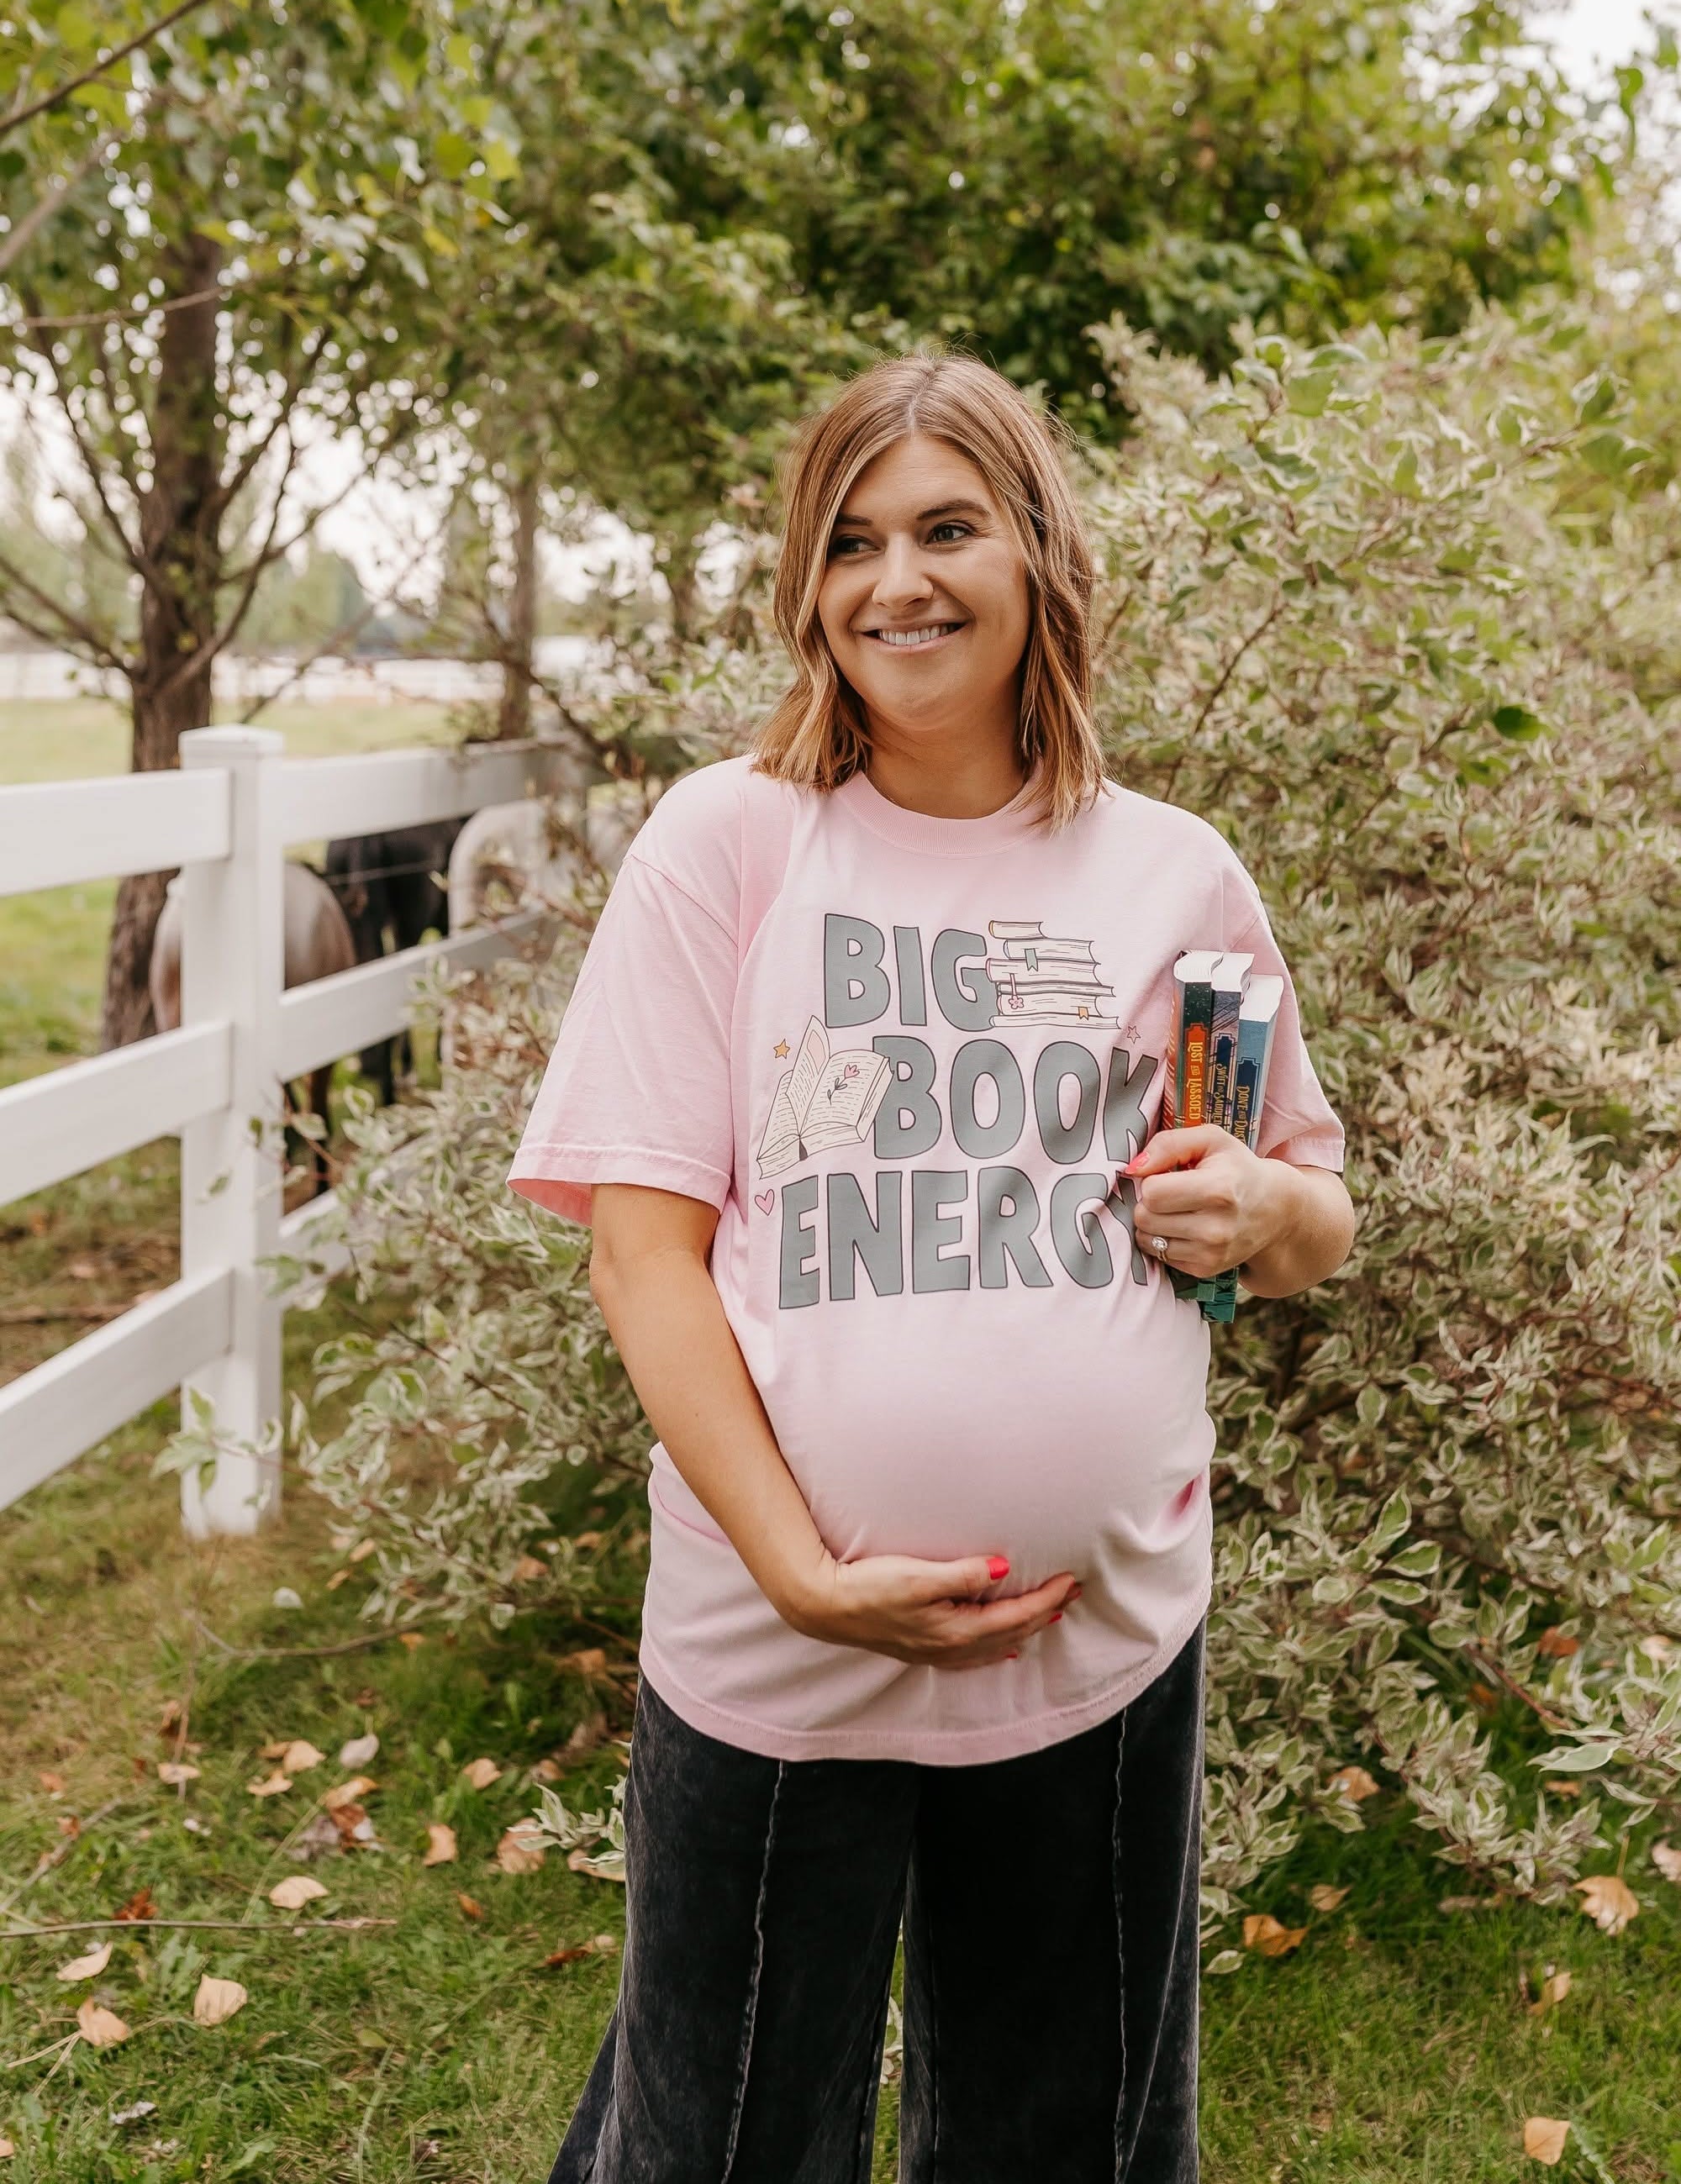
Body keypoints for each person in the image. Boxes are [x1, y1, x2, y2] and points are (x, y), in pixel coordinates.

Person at [508, 350, 1354, 2184]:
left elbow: (1309, 1204)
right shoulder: (728, 844)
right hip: (768, 1652)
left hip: (1099, 1647)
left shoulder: (1171, 871)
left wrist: (1260, 1215)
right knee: (723, 2136)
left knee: (1064, 2134)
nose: (899, 580)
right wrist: (803, 1572)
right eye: (852, 540)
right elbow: (645, 1256)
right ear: (810, 591)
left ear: (1037, 553)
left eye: (948, 527)